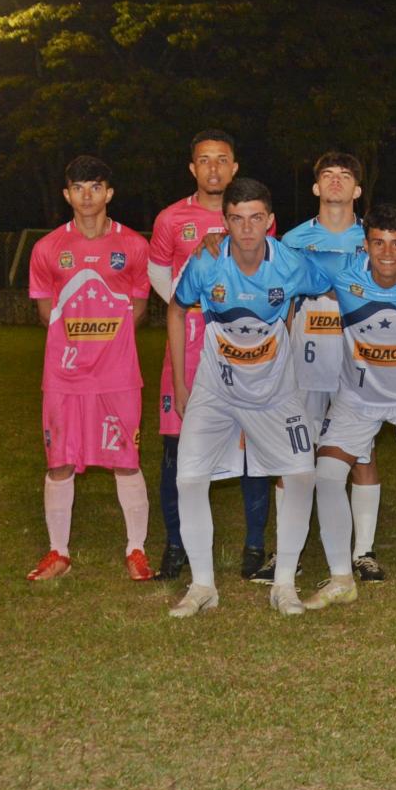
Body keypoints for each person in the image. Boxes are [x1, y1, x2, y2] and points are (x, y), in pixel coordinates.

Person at [165, 179, 327, 618]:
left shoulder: (291, 263)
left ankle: (285, 585)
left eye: (256, 218)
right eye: (236, 219)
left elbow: (339, 280)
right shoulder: (206, 263)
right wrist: (181, 384)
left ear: (270, 222)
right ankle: (203, 586)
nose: (247, 228)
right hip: (215, 391)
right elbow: (177, 309)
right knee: (189, 478)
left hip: (276, 394)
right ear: (225, 222)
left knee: (301, 475)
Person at [148, 131, 275, 581]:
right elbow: (158, 275)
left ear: (235, 166)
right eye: (205, 160)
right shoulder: (170, 220)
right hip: (188, 347)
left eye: (223, 159)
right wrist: (193, 304)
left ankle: (254, 547)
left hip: (243, 350)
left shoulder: (252, 216)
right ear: (193, 168)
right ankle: (176, 546)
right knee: (176, 449)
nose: (215, 168)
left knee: (254, 448)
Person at [313, 204, 396, 614]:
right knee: (327, 474)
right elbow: (281, 256)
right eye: (378, 243)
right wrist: (220, 241)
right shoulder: (341, 272)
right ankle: (341, 579)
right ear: (365, 245)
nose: (387, 253)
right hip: (358, 398)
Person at [26, 156, 154, 582]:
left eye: (95, 187)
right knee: (59, 461)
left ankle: (136, 549)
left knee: (126, 460)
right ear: (67, 195)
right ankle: (58, 552)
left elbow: (138, 307)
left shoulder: (134, 245)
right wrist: (81, 346)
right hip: (64, 377)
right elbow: (47, 313)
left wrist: (107, 346)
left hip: (118, 377)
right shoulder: (47, 249)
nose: (86, 195)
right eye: (78, 188)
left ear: (108, 193)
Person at [279, 153, 376, 580]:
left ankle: (364, 552)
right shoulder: (292, 241)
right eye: (327, 176)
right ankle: (289, 552)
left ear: (357, 190)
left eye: (345, 177)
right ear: (316, 187)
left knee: (362, 456)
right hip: (304, 363)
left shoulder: (374, 240)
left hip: (356, 365)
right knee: (293, 456)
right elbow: (279, 304)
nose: (336, 183)